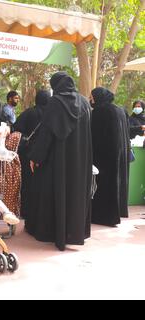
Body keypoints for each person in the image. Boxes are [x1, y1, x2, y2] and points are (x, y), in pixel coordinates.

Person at [26, 71, 93, 251]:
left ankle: (52, 232)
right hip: (79, 159)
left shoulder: (55, 103)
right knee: (75, 195)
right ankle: (74, 233)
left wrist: (36, 157)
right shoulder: (85, 102)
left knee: (54, 192)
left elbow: (46, 133)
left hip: (58, 159)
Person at [90, 87, 129, 226]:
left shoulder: (100, 111)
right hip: (116, 154)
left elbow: (94, 135)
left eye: (92, 97)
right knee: (114, 185)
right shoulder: (118, 110)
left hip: (102, 156)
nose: (91, 100)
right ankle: (114, 215)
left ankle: (103, 217)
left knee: (101, 186)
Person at [13, 90, 51, 218]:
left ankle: (26, 211)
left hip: (28, 154)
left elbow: (15, 129)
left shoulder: (29, 113)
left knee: (27, 183)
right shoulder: (53, 115)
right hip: (46, 155)